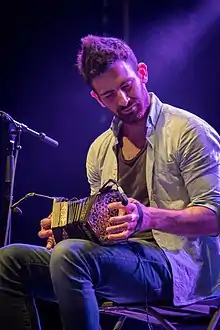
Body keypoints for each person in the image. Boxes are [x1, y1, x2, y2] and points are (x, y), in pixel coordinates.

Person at [0, 35, 220, 330]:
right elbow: (97, 230)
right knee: (9, 260)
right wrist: (64, 232)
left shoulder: (188, 132)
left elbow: (214, 217)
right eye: (109, 95)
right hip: (119, 261)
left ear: (141, 72)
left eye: (126, 86)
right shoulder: (99, 150)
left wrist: (147, 217)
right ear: (97, 98)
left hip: (178, 267)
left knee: (71, 257)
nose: (123, 100)